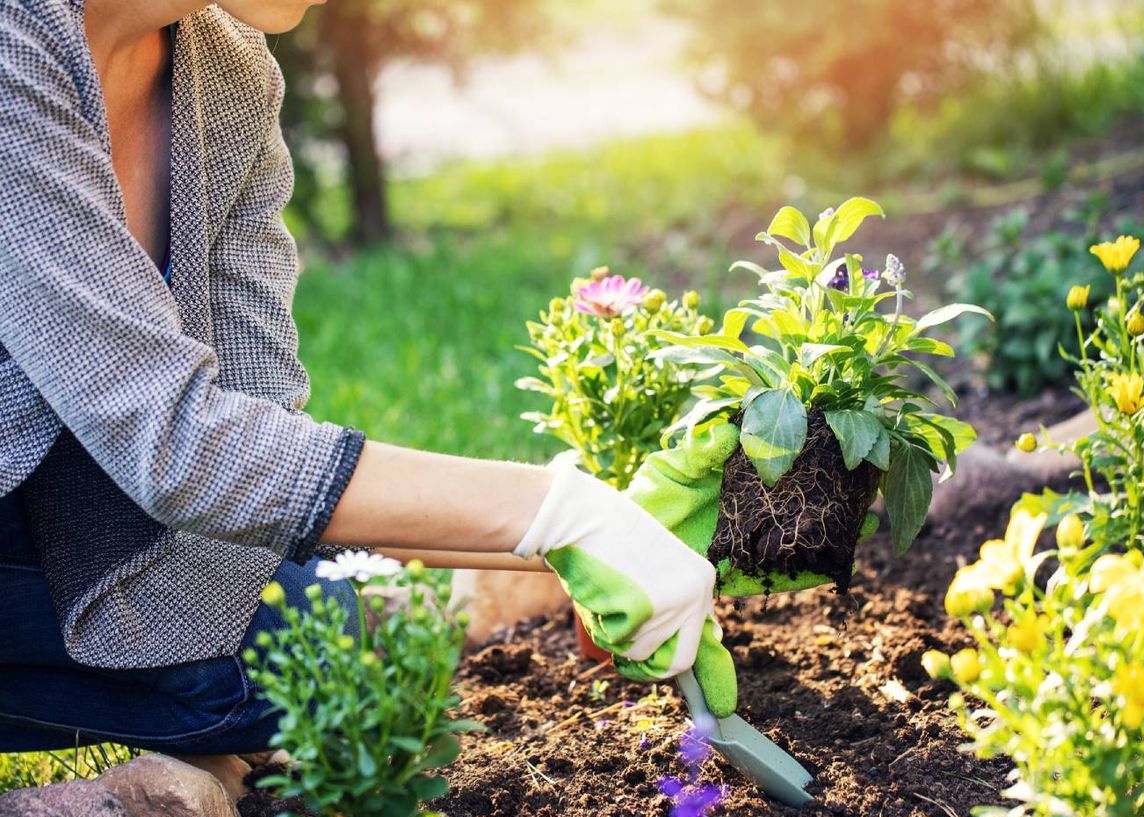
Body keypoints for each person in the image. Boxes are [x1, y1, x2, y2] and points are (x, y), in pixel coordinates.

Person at [0, 0, 725, 754]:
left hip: (67, 501)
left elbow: (255, 429)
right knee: (270, 667)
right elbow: (177, 444)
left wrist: (586, 534)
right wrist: (552, 510)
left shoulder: (231, 71)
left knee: (314, 637)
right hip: (36, 497)